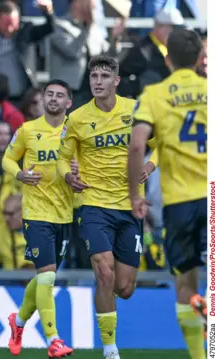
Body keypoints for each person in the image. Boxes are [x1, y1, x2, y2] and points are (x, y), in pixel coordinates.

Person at [56, 55, 157, 359]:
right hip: (93, 203)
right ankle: (110, 349)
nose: (97, 81)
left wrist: (149, 167)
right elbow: (62, 157)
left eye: (104, 76)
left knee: (124, 288)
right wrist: (68, 176)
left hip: (128, 205)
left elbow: (160, 145)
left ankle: (105, 300)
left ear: (116, 81)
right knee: (104, 271)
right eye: (93, 76)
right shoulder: (76, 118)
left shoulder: (135, 110)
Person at [128, 28, 206, 359]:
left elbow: (136, 145)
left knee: (185, 283)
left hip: (178, 203)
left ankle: (200, 356)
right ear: (202, 55)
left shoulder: (155, 95)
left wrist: (135, 194)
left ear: (167, 57)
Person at [2, 79, 74, 358]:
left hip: (65, 213)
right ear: (44, 100)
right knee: (46, 277)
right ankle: (54, 339)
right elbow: (8, 159)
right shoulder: (28, 130)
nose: (54, 99)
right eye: (50, 94)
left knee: (46, 277)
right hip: (35, 213)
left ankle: (18, 321)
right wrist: (18, 174)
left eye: (60, 95)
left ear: (69, 103)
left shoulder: (75, 133)